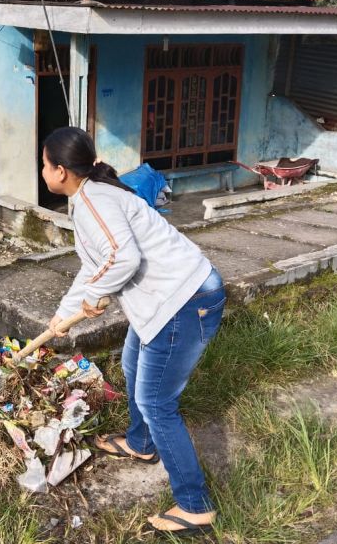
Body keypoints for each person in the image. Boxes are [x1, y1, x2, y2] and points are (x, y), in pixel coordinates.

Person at [43, 127, 226, 537]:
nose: (43, 170)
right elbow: (96, 267)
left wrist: (98, 295)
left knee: (157, 401)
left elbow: (122, 258)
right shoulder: (89, 196)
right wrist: (64, 314)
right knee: (131, 364)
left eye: (44, 163)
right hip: (164, 303)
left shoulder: (94, 202)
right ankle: (141, 443)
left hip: (184, 300)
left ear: (60, 171)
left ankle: (194, 505)